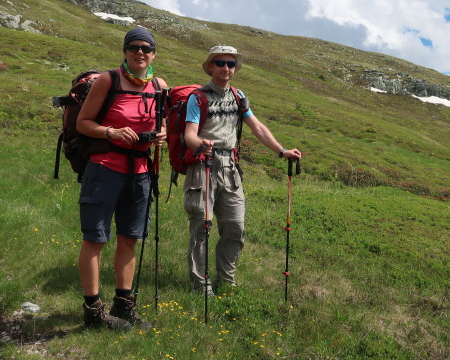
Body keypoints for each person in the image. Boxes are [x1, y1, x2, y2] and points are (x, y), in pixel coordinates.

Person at [183, 45, 301, 294]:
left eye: (231, 64)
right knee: (201, 227)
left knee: (235, 227)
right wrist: (200, 145)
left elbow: (257, 128)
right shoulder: (198, 97)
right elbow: (189, 135)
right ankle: (200, 285)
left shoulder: (239, 97)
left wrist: (281, 151)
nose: (226, 68)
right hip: (203, 166)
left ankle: (226, 282)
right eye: (221, 63)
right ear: (211, 67)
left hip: (230, 169)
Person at [76, 27, 167, 330]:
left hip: (140, 173)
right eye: (133, 47)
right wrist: (110, 132)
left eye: (146, 48)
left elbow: (161, 124)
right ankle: (93, 311)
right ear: (125, 51)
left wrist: (162, 135)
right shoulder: (109, 80)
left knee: (129, 238)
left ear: (154, 53)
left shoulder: (159, 85)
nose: (140, 52)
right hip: (104, 169)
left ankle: (123, 306)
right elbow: (83, 123)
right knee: (96, 238)